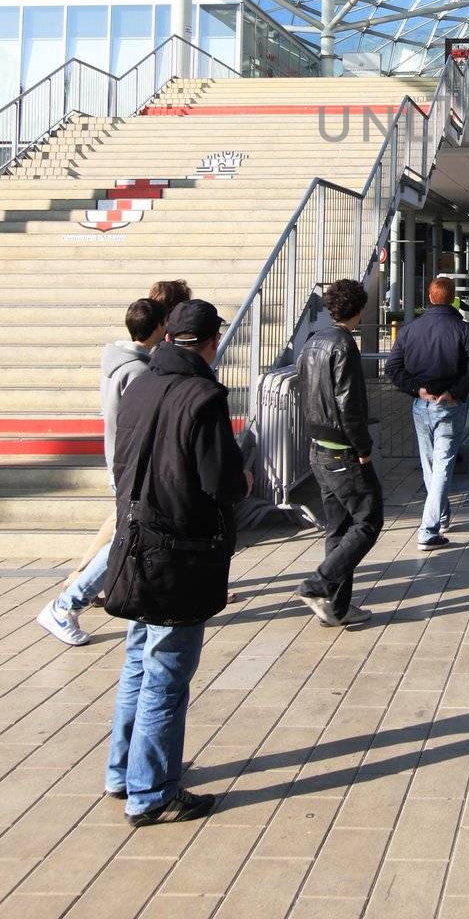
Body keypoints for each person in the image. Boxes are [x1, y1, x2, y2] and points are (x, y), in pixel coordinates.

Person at [106, 299, 249, 825]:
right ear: (211, 342)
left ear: (168, 339)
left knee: (139, 659)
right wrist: (242, 481)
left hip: (135, 542)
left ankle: (123, 772)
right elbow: (223, 482)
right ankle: (152, 792)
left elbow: (124, 462)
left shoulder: (140, 384)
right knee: (167, 671)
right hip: (179, 554)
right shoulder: (203, 397)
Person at [37, 297, 167, 647]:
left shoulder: (117, 360)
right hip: (133, 466)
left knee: (130, 537)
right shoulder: (139, 371)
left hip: (120, 461)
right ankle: (66, 605)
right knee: (128, 539)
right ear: (158, 327)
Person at [297, 278, 382, 626]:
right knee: (368, 519)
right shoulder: (345, 345)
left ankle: (338, 607)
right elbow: (349, 403)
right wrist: (363, 447)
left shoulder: (313, 342)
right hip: (343, 451)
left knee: (338, 527)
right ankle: (319, 584)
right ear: (359, 310)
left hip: (318, 447)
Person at [386, 276, 469, 551]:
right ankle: (429, 529)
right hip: (450, 405)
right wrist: (454, 392)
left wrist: (416, 390)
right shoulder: (463, 330)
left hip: (421, 405)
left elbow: (393, 368)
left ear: (430, 297)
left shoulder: (410, 330)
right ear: (452, 297)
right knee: (442, 466)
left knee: (430, 464)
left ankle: (441, 518)